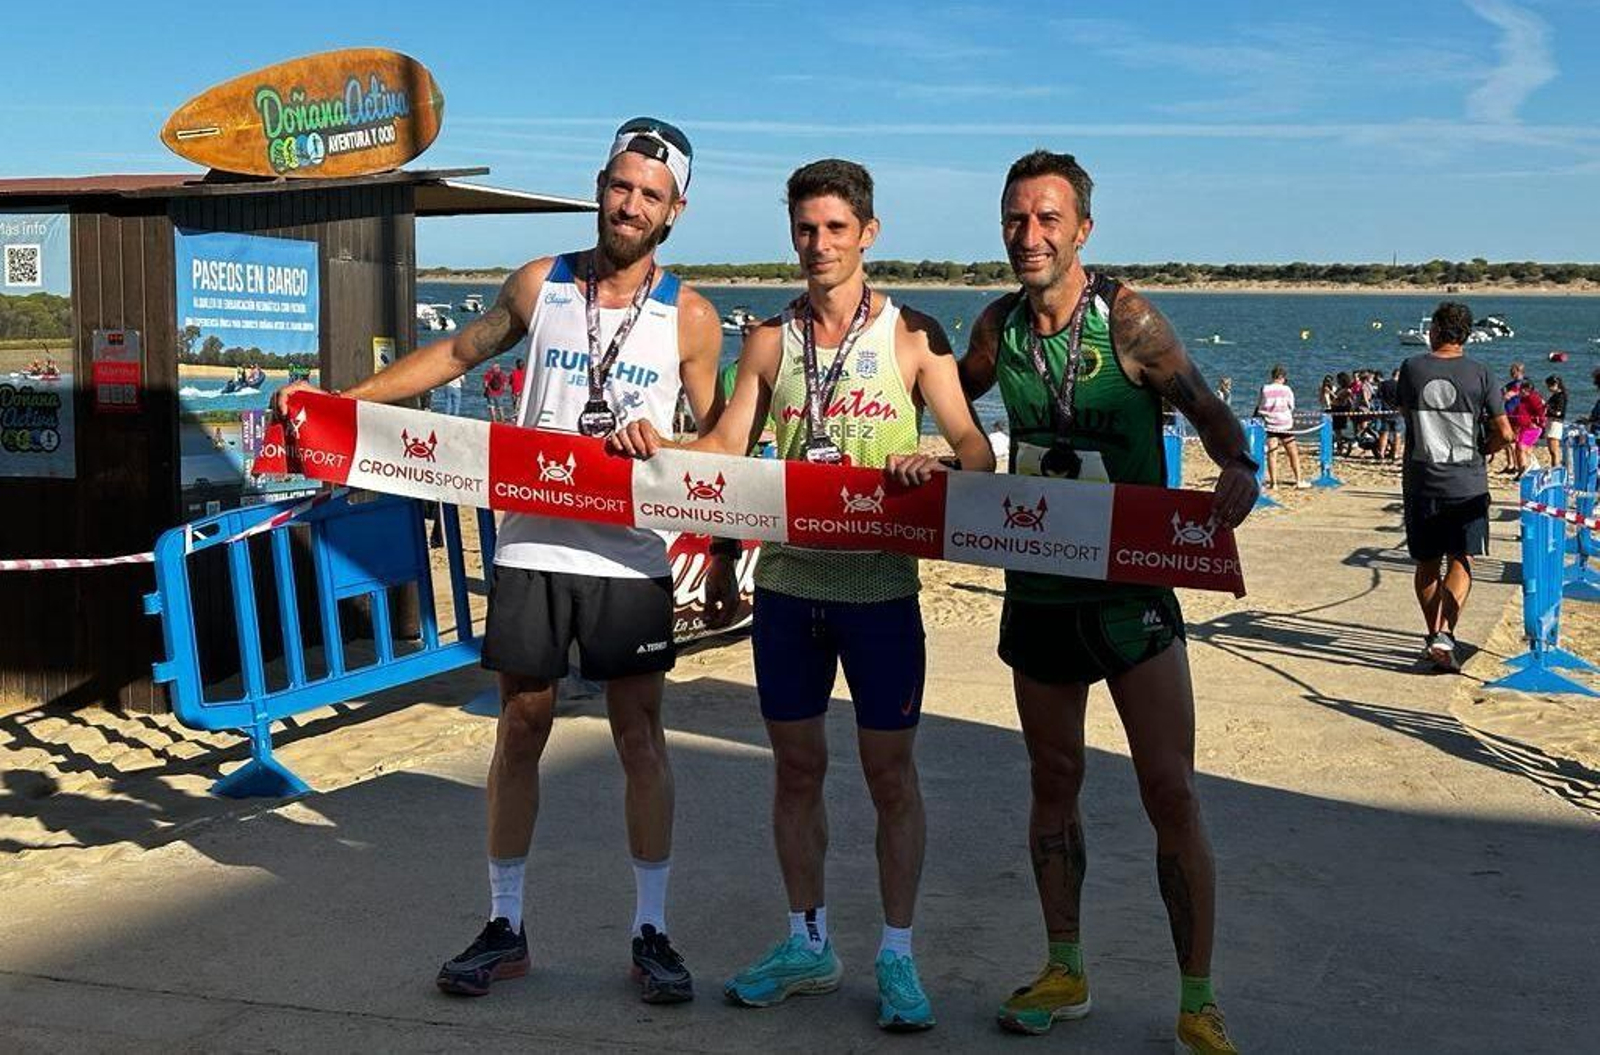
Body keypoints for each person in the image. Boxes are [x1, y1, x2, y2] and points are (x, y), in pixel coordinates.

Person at [273, 116, 723, 1005]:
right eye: (619, 185)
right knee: (521, 728)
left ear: (675, 211)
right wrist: (341, 405)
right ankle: (505, 923)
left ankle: (652, 929)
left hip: (630, 557)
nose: (630, 205)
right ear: (601, 187)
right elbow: (451, 353)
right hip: (532, 543)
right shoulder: (539, 283)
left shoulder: (694, 317)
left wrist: (668, 443)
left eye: (650, 194)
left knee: (640, 739)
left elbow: (721, 439)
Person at [611, 158, 995, 1032]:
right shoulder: (771, 342)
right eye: (804, 229)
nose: (818, 245)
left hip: (879, 592)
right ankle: (808, 941)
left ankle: (897, 955)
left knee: (890, 776)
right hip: (787, 589)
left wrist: (936, 460)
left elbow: (977, 450)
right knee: (796, 772)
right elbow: (726, 447)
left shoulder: (912, 336)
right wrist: (655, 441)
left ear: (869, 232)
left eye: (834, 228)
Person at [957, 150, 1256, 1054]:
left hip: (1130, 591)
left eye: (1048, 219)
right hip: (1038, 589)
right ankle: (1066, 968)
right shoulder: (998, 326)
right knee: (1054, 782)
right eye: (1016, 218)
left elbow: (1206, 407)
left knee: (1169, 788)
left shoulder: (1127, 320)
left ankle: (1198, 1000)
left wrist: (1238, 463)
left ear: (1083, 228)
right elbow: (940, 393)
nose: (1029, 235)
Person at [1396, 302, 1514, 672]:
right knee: (1462, 558)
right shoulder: (1481, 373)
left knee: (1427, 563)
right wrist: (1485, 449)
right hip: (1467, 482)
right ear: (1465, 334)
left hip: (1422, 480)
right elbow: (1506, 433)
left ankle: (1434, 635)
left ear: (1434, 329)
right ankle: (1447, 634)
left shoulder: (1412, 368)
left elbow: (1405, 412)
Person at [1254, 365, 1307, 489]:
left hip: (1270, 423)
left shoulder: (1265, 388)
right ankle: (1298, 480)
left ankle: (1274, 483)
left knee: (1272, 454)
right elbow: (1291, 406)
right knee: (1292, 453)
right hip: (1285, 424)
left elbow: (1260, 405)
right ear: (1282, 377)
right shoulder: (1287, 389)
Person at [1375, 367, 1402, 461]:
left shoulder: (1383, 384)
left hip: (1385, 411)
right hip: (1397, 412)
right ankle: (1395, 454)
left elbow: (1378, 397)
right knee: (1397, 434)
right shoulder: (1401, 385)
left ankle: (1381, 453)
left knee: (1384, 434)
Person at [1543, 375, 1567, 470]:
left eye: (1550, 386)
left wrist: (1548, 407)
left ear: (1556, 384)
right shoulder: (1555, 395)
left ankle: (1555, 468)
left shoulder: (1561, 396)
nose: (1549, 388)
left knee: (1554, 449)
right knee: (1551, 449)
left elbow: (1558, 412)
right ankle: (1554, 467)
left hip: (1555, 422)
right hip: (1551, 421)